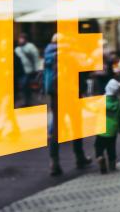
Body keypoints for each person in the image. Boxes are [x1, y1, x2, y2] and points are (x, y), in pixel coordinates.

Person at [44, 33, 92, 176]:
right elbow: (83, 72)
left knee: (57, 129)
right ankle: (79, 157)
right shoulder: (71, 53)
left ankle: (54, 163)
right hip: (71, 93)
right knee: (76, 125)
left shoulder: (48, 54)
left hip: (55, 94)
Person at [95, 79, 120, 174]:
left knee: (98, 147)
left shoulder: (101, 101)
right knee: (111, 148)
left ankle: (100, 158)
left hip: (101, 130)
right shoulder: (118, 103)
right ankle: (112, 165)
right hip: (112, 131)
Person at [14, 33, 40, 106]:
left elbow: (35, 58)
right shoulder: (17, 49)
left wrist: (37, 69)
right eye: (19, 39)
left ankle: (28, 101)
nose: (20, 40)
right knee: (23, 86)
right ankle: (27, 100)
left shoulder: (30, 47)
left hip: (29, 70)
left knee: (25, 85)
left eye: (22, 38)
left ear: (25, 39)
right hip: (20, 71)